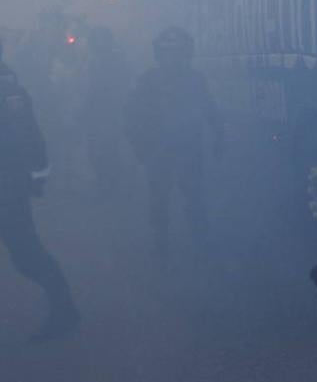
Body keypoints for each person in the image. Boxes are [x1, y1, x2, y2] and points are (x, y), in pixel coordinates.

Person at [0, 38, 78, 340]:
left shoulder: (8, 91)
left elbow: (27, 137)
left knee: (26, 255)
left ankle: (64, 309)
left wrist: (36, 178)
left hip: (6, 185)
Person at [124, 27, 224, 260]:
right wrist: (139, 147)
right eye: (167, 52)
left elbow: (210, 109)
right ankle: (161, 241)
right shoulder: (148, 81)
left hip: (189, 149)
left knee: (195, 196)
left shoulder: (195, 79)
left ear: (186, 53)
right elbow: (132, 115)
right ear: (159, 54)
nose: (173, 57)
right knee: (159, 198)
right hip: (158, 151)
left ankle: (201, 240)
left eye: (178, 52)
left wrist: (219, 136)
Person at [80, 27, 129, 196]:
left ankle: (109, 184)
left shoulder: (113, 61)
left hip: (108, 112)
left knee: (105, 150)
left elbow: (104, 89)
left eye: (97, 41)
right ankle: (107, 182)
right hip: (98, 113)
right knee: (97, 150)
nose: (94, 45)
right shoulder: (95, 60)